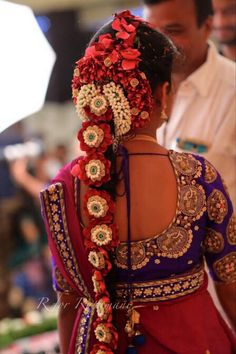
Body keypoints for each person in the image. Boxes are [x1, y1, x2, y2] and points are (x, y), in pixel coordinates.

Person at [40, 11, 236, 354]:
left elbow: (67, 301)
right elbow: (231, 287)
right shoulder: (198, 178)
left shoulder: (62, 188)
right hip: (193, 342)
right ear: (163, 93)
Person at [143, 0, 236, 209]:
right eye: (151, 31)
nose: (158, 43)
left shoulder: (232, 91)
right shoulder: (136, 87)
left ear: (207, 27)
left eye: (172, 30)